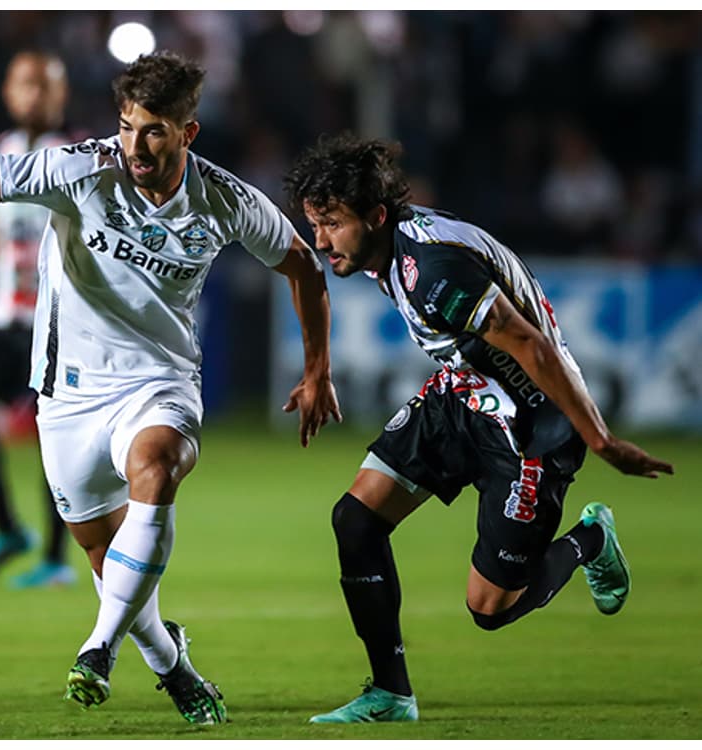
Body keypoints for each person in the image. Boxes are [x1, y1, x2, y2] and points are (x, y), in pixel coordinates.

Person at [0, 52, 340, 725]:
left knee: (158, 463)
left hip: (160, 382)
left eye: (153, 132)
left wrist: (317, 368)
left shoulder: (225, 201)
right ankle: (176, 668)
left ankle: (97, 648)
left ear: (187, 133)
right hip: (70, 394)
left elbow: (304, 267)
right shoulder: (82, 168)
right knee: (104, 553)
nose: (135, 146)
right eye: (127, 127)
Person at [281, 133, 674, 724]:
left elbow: (531, 345)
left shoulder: (434, 269)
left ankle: (590, 541)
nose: (321, 241)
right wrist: (318, 372)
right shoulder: (387, 246)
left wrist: (599, 438)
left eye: (331, 224)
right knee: (355, 520)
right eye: (316, 223)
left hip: (531, 429)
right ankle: (392, 694)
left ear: (376, 216)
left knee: (489, 608)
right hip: (463, 397)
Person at [0, 51, 77, 589]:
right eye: (27, 84)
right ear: (8, 91)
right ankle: (7, 530)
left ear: (61, 96)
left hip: (57, 321)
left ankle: (54, 558)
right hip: (5, 315)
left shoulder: (76, 156)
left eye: (46, 86)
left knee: (56, 435)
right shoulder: (2, 151)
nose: (35, 96)